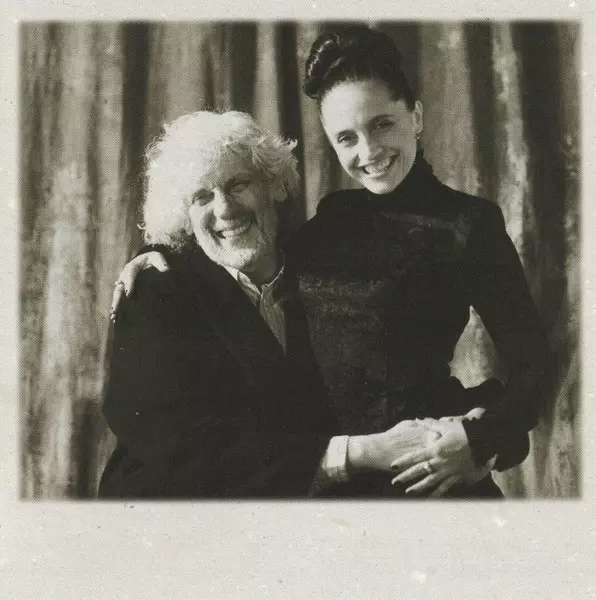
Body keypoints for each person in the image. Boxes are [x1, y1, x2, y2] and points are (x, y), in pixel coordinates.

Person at [111, 27, 550, 498]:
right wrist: (156, 252)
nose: (369, 152)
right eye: (347, 137)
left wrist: (481, 440)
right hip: (327, 476)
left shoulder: (470, 224)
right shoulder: (331, 220)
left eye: (382, 124)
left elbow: (534, 365)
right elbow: (237, 242)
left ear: (417, 116)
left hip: (424, 468)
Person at [99, 110, 448, 498]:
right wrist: (357, 453)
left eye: (238, 185)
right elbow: (179, 445)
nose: (225, 210)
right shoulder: (156, 291)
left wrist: (470, 436)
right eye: (202, 197)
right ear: (185, 217)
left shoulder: (319, 272)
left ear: (275, 186)